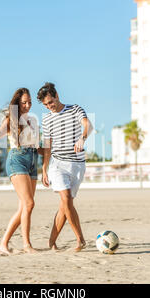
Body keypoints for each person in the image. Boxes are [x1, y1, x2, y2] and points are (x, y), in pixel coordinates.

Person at [0, 88, 40, 255]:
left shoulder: (33, 121)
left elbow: (36, 145)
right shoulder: (11, 119)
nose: (27, 105)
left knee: (24, 207)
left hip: (33, 161)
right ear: (17, 103)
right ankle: (26, 245)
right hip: (17, 160)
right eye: (24, 102)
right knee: (29, 204)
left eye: (30, 102)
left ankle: (3, 244)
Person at [38, 82, 93, 252]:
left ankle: (51, 241)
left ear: (57, 96)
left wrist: (82, 138)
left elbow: (88, 125)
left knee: (65, 205)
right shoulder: (46, 118)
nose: (49, 107)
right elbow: (47, 146)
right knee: (66, 198)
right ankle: (80, 240)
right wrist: (44, 169)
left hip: (77, 164)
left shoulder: (75, 109)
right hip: (57, 164)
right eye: (46, 105)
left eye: (51, 102)